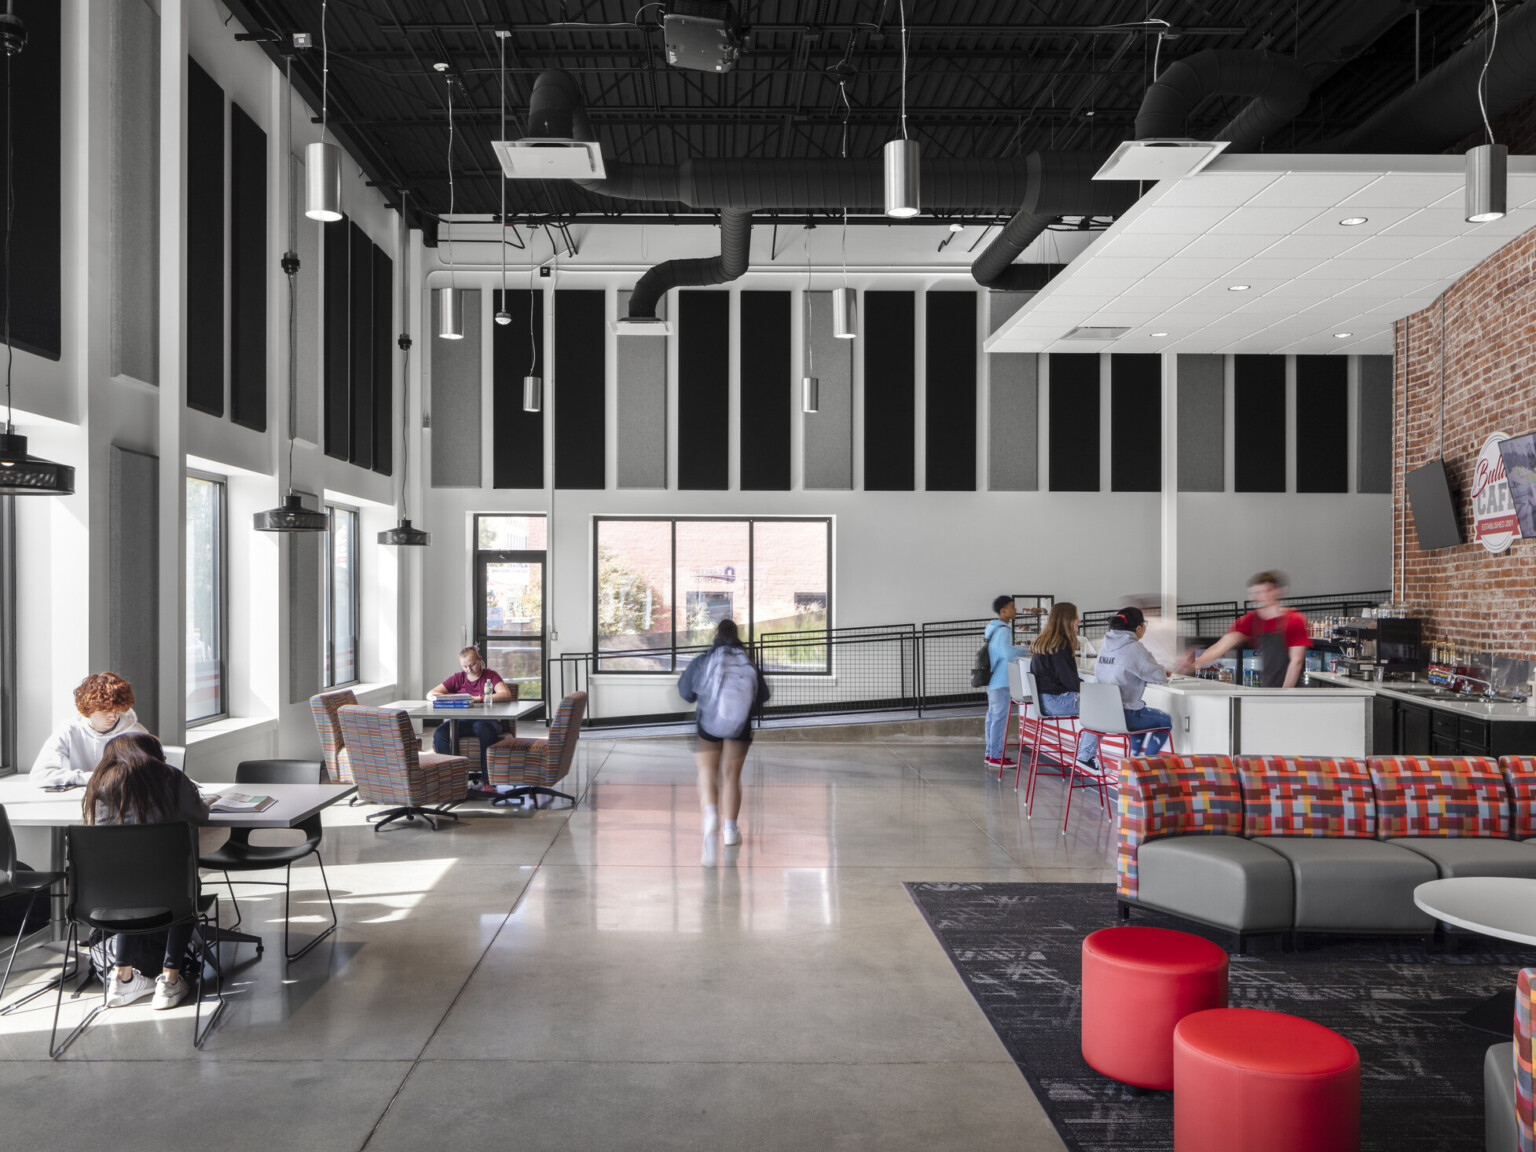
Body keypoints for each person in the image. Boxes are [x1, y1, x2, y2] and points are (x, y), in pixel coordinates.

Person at [81, 732, 209, 1011]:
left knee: (133, 891)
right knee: (183, 889)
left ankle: (122, 977)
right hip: (171, 892)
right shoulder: (171, 777)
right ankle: (170, 980)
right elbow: (200, 815)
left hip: (109, 895)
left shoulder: (98, 783)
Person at [677, 619, 768, 858]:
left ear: (716, 635)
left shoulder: (705, 659)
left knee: (707, 773)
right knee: (731, 777)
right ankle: (730, 831)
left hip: (707, 724)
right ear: (737, 636)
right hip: (740, 728)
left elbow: (686, 693)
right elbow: (763, 695)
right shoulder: (748, 662)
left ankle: (711, 817)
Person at [1191, 571, 1309, 689]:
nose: (1261, 596)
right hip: (1268, 687)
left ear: (1277, 591)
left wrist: (1284, 693)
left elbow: (1296, 661)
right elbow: (1220, 647)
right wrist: (1193, 665)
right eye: (1256, 593)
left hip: (1292, 690)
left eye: (1265, 591)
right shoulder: (1251, 621)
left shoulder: (1294, 619)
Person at [31, 672, 148, 788]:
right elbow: (40, 775)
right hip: (74, 800)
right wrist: (91, 778)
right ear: (89, 709)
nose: (113, 716)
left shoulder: (136, 732)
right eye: (105, 711)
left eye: (117, 709)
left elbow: (154, 775)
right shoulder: (68, 730)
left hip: (124, 801)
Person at [1028, 602, 1100, 773]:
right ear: (1067, 620)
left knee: (1096, 703)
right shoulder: (1061, 645)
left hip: (1044, 701)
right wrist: (1094, 690)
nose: (1079, 620)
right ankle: (1085, 756)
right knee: (1101, 707)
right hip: (1055, 701)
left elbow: (1066, 678)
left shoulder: (1044, 642)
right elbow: (1070, 682)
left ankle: (1084, 754)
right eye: (1076, 617)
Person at [1095, 606, 1174, 756]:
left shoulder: (1105, 645)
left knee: (1141, 714)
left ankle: (1134, 758)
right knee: (1164, 720)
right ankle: (1146, 762)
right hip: (1125, 715)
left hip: (1102, 712)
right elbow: (1159, 677)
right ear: (1139, 627)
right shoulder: (1135, 648)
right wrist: (1162, 670)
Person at [426, 646, 513, 777]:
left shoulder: (490, 675)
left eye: (472, 665)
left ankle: (488, 779)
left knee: (482, 727)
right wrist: (449, 696)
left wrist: (479, 699)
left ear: (480, 660)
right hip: (463, 722)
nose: (469, 669)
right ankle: (449, 778)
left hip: (487, 721)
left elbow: (506, 694)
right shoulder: (458, 678)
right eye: (464, 666)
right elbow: (430, 694)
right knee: (441, 733)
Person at [983, 595, 1030, 769]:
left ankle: (991, 754)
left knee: (993, 718)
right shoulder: (1003, 630)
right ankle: (996, 757)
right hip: (1002, 680)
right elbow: (1007, 652)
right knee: (999, 719)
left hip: (994, 679)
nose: (1015, 610)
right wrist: (1027, 649)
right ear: (1003, 611)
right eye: (1012, 606)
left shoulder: (993, 629)